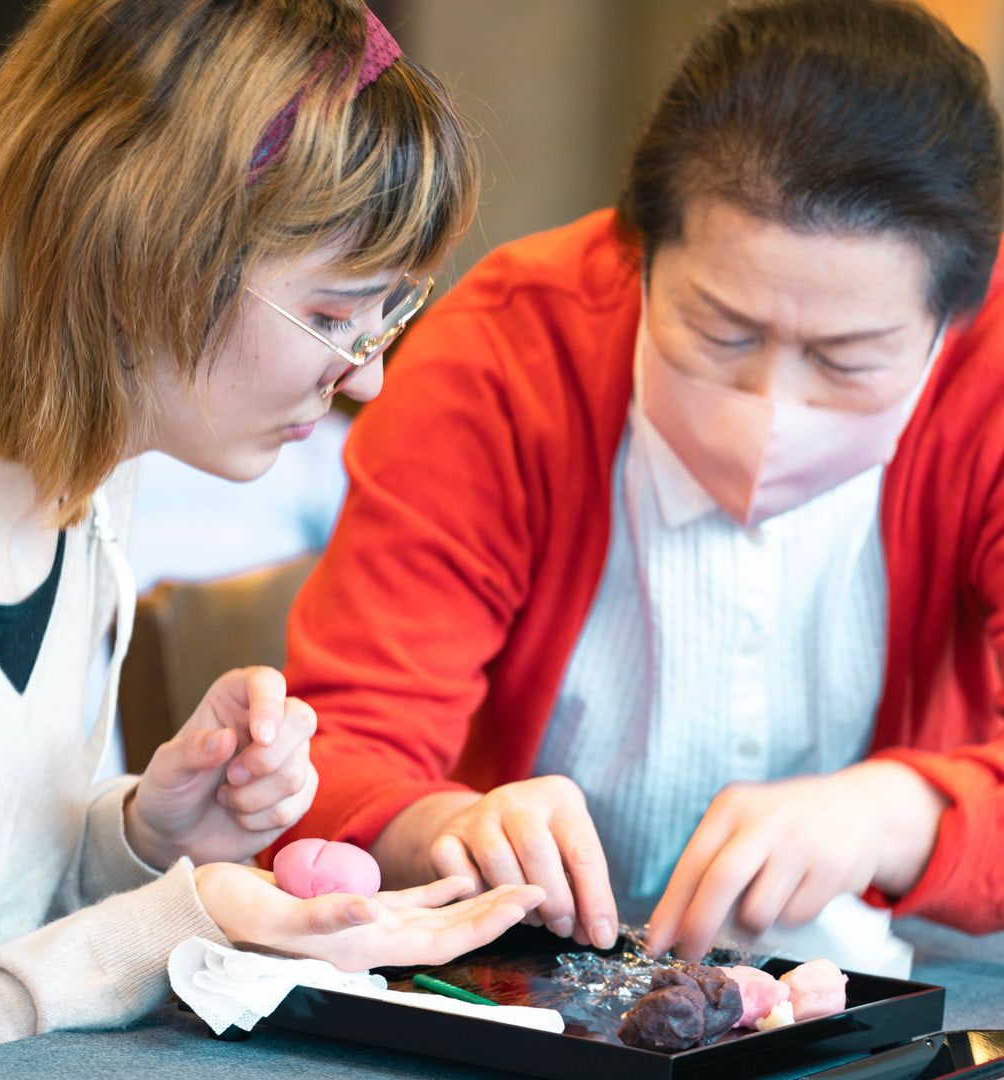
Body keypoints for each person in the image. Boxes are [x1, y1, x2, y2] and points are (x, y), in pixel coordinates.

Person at [269, 0, 1004, 962]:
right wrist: (441, 823)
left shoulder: (990, 382)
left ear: (956, 314)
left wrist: (901, 815)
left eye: (848, 357)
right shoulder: (504, 361)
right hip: (541, 989)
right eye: (721, 330)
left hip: (927, 987)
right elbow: (338, 754)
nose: (767, 399)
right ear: (642, 251)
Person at [0, 0, 544, 1060]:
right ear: (135, 254)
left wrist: (135, 840)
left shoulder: (88, 498)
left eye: (388, 315)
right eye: (337, 314)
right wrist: (171, 921)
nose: (369, 374)